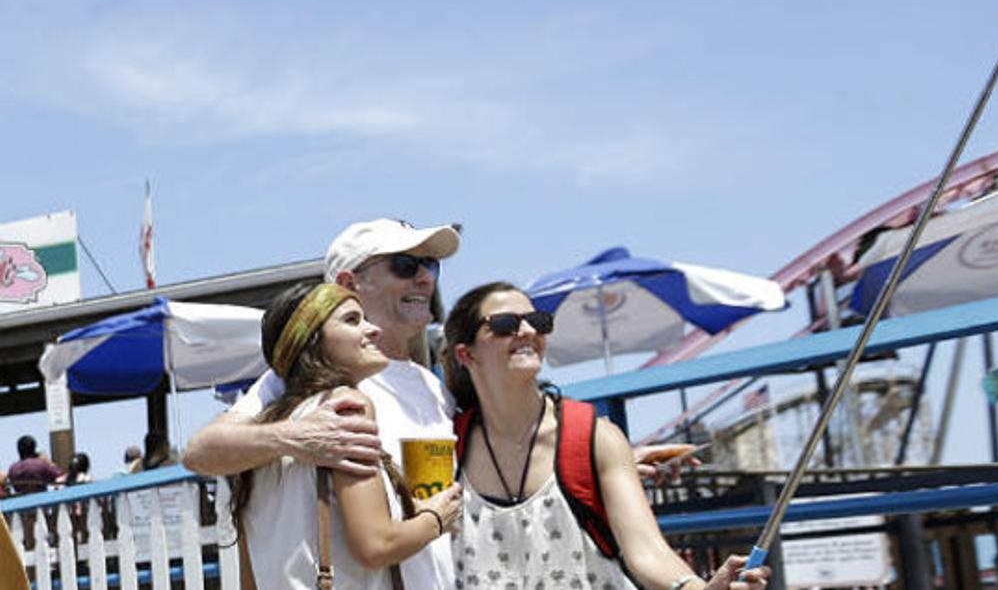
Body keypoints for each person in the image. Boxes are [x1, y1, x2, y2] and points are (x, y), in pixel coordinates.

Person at [185, 218, 464, 588]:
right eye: (405, 265)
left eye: (431, 265)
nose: (426, 279)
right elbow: (200, 452)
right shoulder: (320, 390)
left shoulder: (432, 387)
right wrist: (297, 438)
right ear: (350, 283)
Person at [442, 281, 770, 590]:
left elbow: (646, 552)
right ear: (466, 355)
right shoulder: (445, 446)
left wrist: (697, 587)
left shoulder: (595, 438)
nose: (528, 331)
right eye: (504, 324)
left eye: (538, 321)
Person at [232, 281, 463, 588]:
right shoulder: (346, 407)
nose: (373, 330)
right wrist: (435, 519)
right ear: (312, 340)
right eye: (353, 320)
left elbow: (249, 577)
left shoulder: (261, 434)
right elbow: (374, 545)